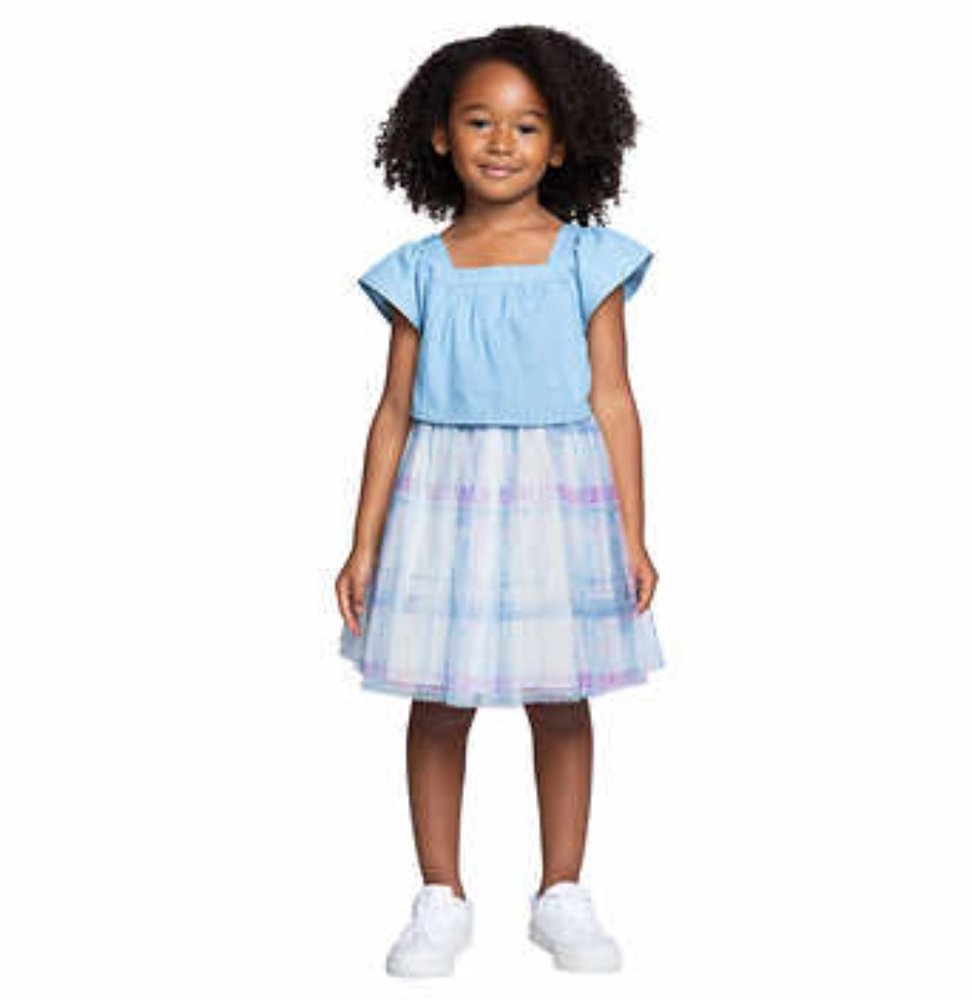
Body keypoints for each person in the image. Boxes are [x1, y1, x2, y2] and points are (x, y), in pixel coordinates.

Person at [335, 25, 667, 977]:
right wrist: (363, 543)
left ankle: (562, 892)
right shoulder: (419, 270)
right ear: (440, 134)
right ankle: (439, 896)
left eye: (526, 126)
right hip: (443, 505)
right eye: (480, 121)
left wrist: (633, 533)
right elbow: (394, 412)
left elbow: (614, 400)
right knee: (440, 701)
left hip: (558, 505)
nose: (501, 142)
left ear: (560, 145)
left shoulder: (588, 261)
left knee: (560, 698)